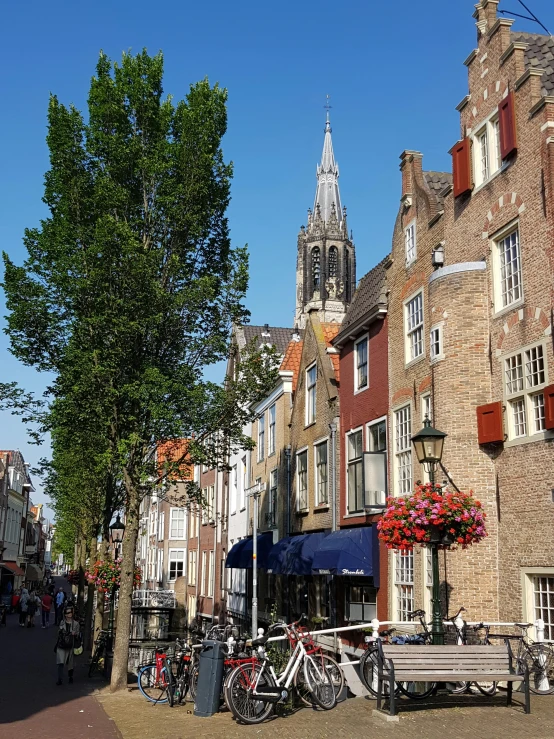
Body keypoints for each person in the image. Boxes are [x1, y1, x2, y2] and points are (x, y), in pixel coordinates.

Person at [55, 605, 80, 685]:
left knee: (70, 663)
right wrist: (61, 631)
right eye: (68, 613)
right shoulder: (62, 622)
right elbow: (58, 633)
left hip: (70, 645)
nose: (70, 614)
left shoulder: (76, 624)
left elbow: (78, 634)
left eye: (71, 612)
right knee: (60, 662)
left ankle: (70, 677)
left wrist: (75, 633)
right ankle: (60, 679)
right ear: (65, 614)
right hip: (62, 645)